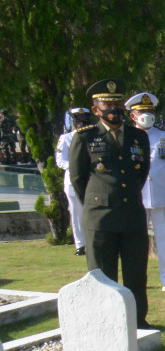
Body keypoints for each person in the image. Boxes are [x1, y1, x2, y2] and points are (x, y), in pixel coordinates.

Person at [68, 79, 152, 327]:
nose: (114, 108)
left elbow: (141, 172)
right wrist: (101, 201)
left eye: (117, 103)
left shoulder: (138, 137)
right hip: (101, 218)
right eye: (108, 104)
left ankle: (138, 322)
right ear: (96, 110)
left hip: (132, 216)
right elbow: (78, 179)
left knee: (136, 273)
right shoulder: (85, 138)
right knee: (103, 276)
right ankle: (106, 324)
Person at [127, 92, 165, 292]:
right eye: (142, 111)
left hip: (162, 196)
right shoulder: (127, 137)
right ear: (132, 115)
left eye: (150, 110)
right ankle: (136, 280)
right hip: (137, 198)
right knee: (135, 242)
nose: (146, 114)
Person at [56, 107, 94, 256]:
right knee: (77, 214)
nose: (81, 124)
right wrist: (76, 167)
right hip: (73, 181)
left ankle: (93, 241)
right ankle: (80, 245)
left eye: (84, 121)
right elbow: (61, 161)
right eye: (78, 121)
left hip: (92, 180)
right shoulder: (66, 138)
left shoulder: (93, 136)